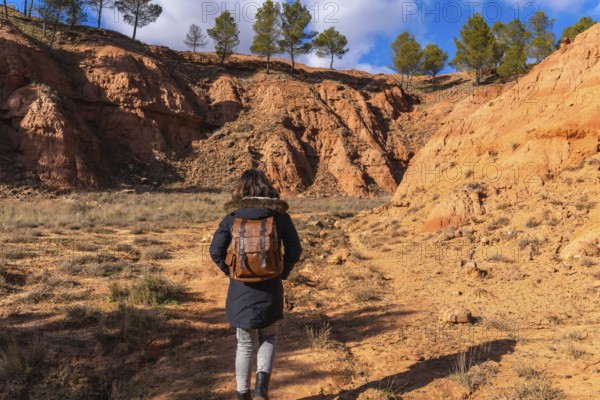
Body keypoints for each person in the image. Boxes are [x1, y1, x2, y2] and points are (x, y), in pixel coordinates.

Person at [210, 169, 302, 400]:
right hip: (270, 285)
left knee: (244, 344)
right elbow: (295, 249)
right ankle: (262, 389)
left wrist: (232, 272)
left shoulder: (233, 215)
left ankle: (243, 396)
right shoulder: (278, 215)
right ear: (266, 187)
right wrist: (282, 273)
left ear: (241, 189)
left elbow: (215, 251)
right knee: (268, 336)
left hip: (241, 288)